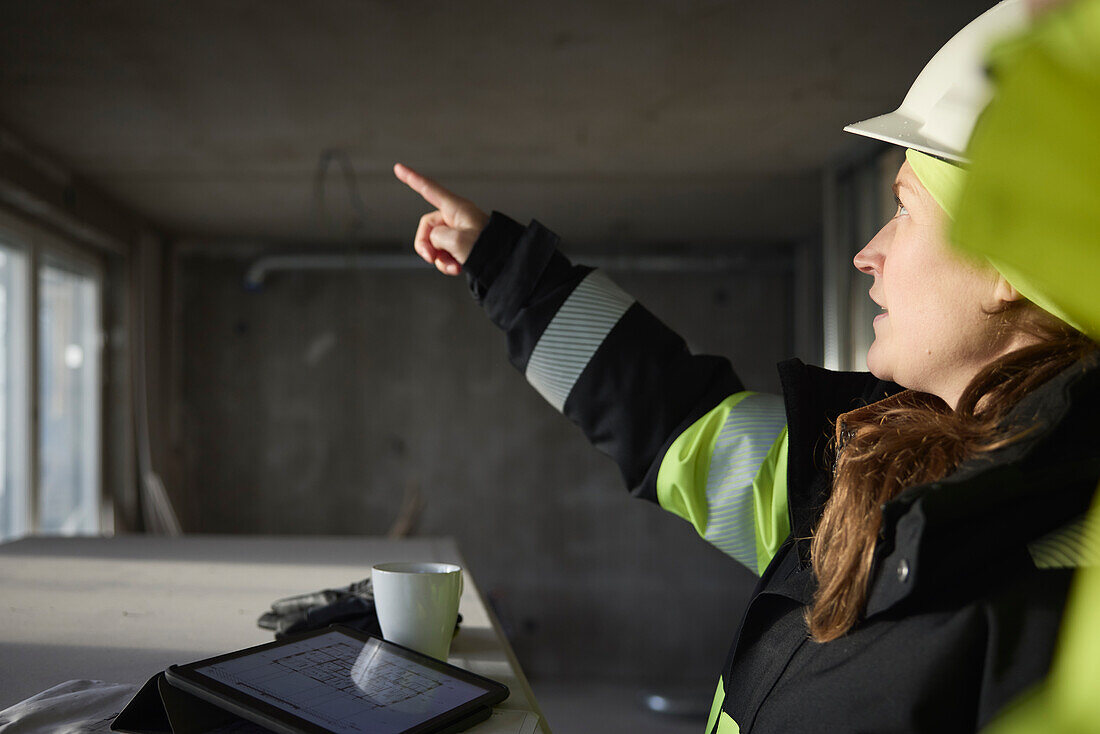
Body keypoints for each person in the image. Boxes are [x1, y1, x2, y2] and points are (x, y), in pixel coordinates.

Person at [395, 1, 1100, 731]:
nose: (869, 254)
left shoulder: (1061, 603)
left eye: (906, 210)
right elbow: (675, 417)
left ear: (1007, 256)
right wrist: (506, 269)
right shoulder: (876, 472)